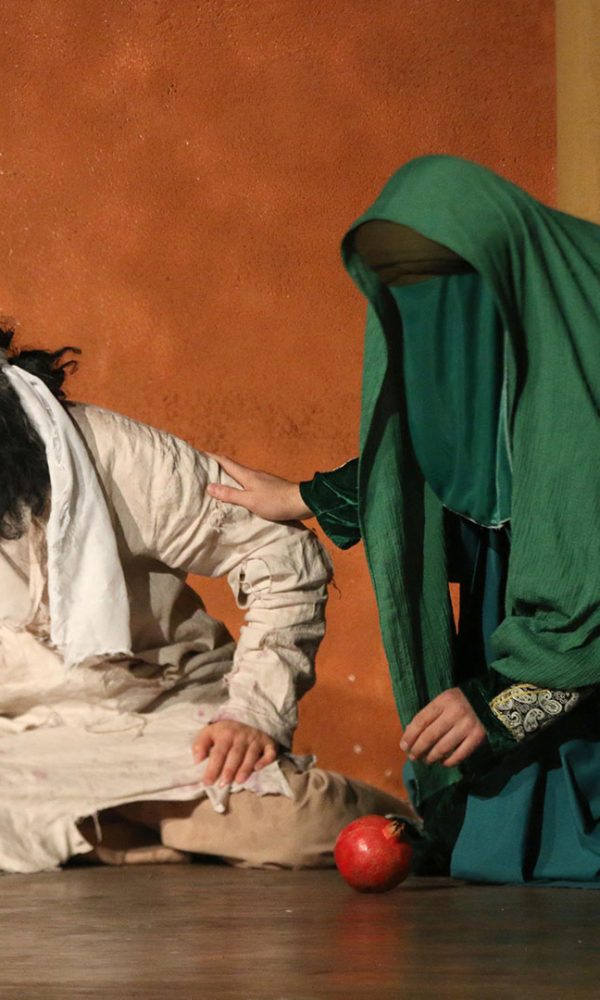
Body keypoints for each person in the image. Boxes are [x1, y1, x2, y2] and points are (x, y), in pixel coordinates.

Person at [207, 155, 600, 884]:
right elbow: (442, 455)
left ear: (500, 261)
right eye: (403, 290)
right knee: (490, 837)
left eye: (445, 280)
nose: (432, 312)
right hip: (526, 609)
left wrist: (499, 706)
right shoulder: (509, 318)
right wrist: (306, 497)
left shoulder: (584, 335)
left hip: (579, 622)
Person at [0, 330, 409, 874]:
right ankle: (134, 829)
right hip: (22, 738)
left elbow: (279, 552)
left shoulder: (106, 450)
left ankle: (419, 828)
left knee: (292, 829)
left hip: (157, 715)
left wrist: (255, 712)